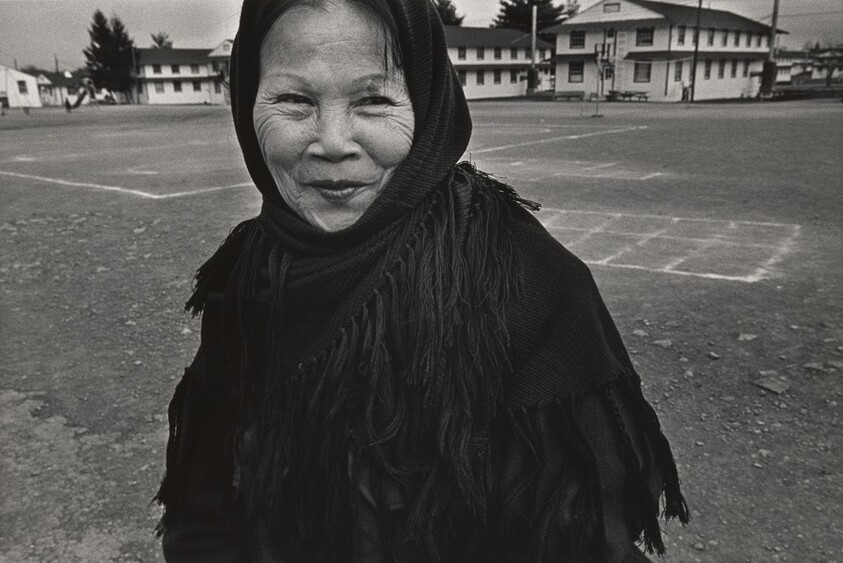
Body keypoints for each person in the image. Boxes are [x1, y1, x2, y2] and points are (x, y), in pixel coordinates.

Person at [154, 0, 689, 560]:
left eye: (374, 100)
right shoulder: (250, 273)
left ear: (429, 101)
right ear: (246, 101)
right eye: (294, 100)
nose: (333, 141)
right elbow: (205, 508)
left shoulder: (529, 288)